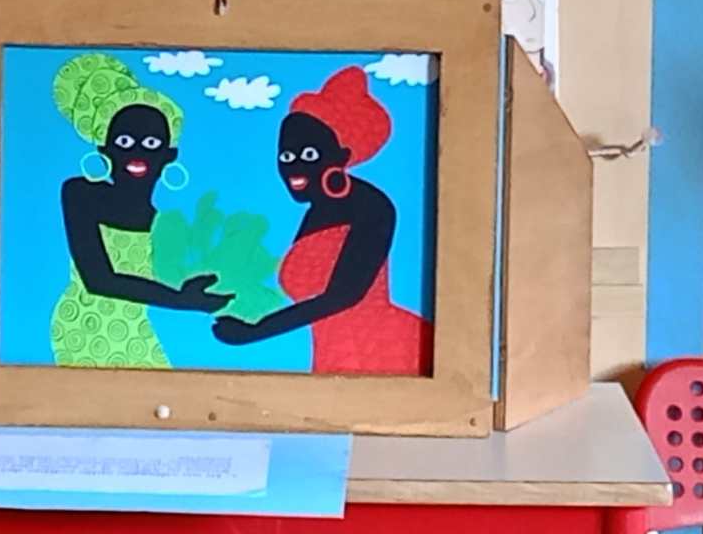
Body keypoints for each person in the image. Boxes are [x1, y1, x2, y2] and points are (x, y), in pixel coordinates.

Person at [213, 67, 432, 375]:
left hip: (378, 351)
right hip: (335, 351)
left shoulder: (372, 206)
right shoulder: (315, 212)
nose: (294, 167)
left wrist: (255, 331)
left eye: (309, 155)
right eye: (286, 157)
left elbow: (343, 295)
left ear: (341, 155)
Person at [51, 53, 232, 368]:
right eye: (124, 141)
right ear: (105, 149)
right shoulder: (81, 193)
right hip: (85, 325)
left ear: (169, 155)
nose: (137, 152)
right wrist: (181, 300)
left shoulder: (161, 223)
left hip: (134, 327)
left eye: (150, 144)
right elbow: (98, 279)